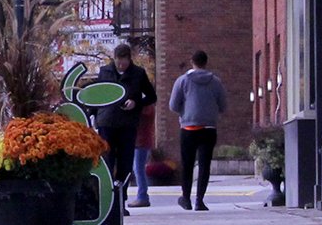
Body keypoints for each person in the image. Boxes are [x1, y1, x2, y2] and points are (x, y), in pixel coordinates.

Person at [92, 43, 156, 210]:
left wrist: (136, 103)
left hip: (128, 123)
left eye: (124, 61)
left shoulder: (138, 74)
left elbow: (151, 96)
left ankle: (121, 199)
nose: (121, 65)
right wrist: (92, 115)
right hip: (107, 121)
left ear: (129, 59)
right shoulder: (105, 71)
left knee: (125, 162)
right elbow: (98, 94)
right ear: (114, 59)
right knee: (107, 159)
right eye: (118, 61)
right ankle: (108, 199)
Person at [167, 50, 228, 210]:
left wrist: (185, 112)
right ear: (206, 62)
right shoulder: (215, 82)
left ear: (192, 61)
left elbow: (173, 105)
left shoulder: (182, 81)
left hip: (189, 127)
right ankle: (199, 201)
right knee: (204, 164)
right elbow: (223, 105)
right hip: (209, 128)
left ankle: (185, 198)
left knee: (187, 164)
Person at [130, 106, 155, 207]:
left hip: (141, 142)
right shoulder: (147, 106)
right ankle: (142, 195)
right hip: (140, 141)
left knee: (138, 169)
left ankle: (142, 196)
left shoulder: (145, 107)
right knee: (138, 169)